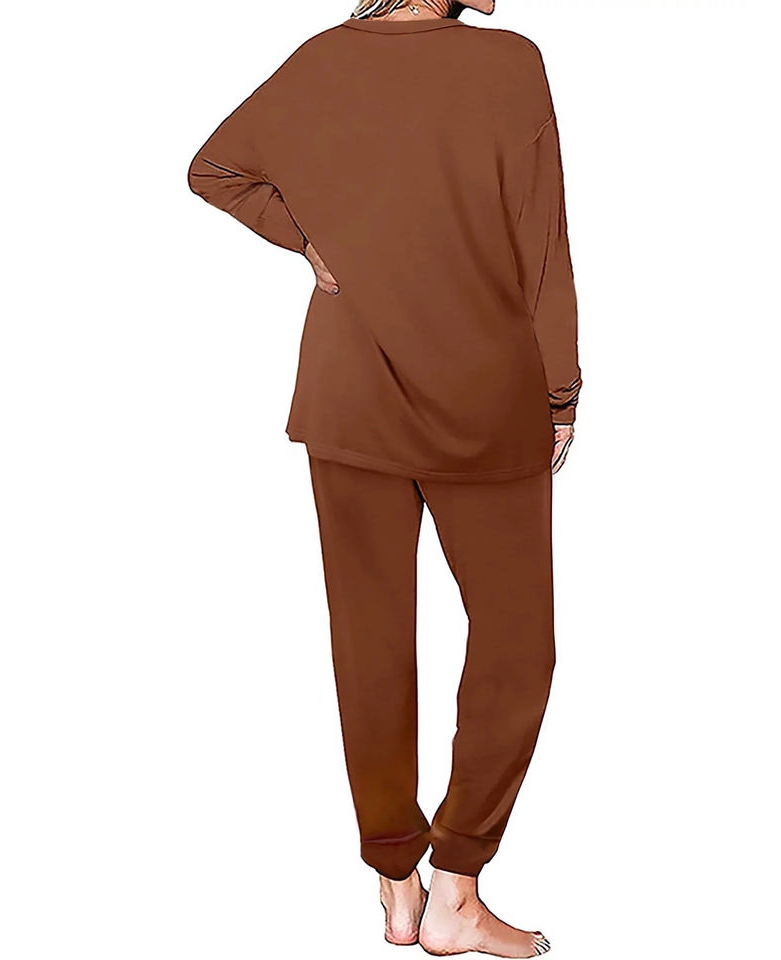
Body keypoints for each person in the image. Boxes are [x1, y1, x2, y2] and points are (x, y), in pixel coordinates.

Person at [187, 1, 581, 956]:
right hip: (485, 394)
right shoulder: (511, 64)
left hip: (348, 398)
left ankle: (397, 885)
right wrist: (561, 388)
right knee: (518, 646)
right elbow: (543, 241)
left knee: (370, 642)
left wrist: (308, 238)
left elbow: (216, 169)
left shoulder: (322, 59)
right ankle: (455, 889)